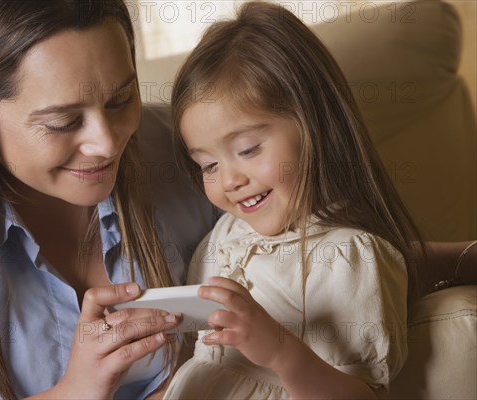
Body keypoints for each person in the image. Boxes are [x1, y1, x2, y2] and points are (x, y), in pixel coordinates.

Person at [0, 1, 217, 399]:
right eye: (63, 122)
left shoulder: (195, 149)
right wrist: (74, 392)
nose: (107, 144)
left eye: (121, 100)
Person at [163, 2, 427, 398]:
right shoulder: (224, 235)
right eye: (207, 165)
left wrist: (280, 351)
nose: (230, 180)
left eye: (249, 149)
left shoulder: (349, 256)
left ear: (315, 125)